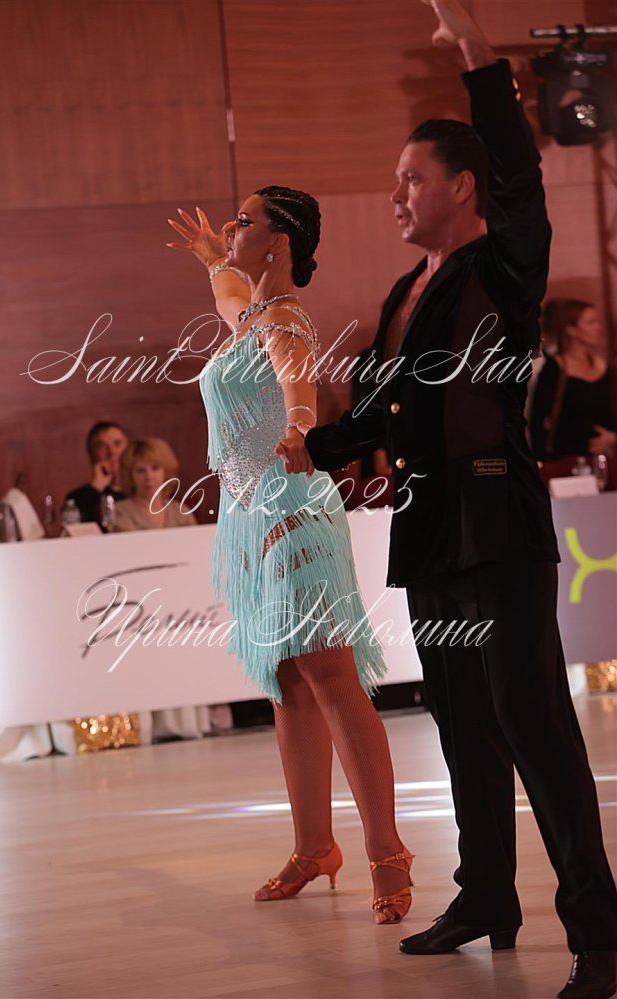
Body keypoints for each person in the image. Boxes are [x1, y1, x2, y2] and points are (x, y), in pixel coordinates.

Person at [297, 1, 617, 996]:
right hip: (431, 528)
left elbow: (521, 175)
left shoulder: (503, 266)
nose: (396, 194)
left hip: (498, 524)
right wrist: (312, 448)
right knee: (460, 719)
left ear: (462, 186)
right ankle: (486, 897)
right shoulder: (407, 290)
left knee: (534, 724)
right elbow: (387, 407)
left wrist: (479, 59)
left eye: (411, 178)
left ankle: (601, 936)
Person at [167, 187, 414, 923]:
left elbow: (295, 377)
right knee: (286, 680)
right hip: (253, 518)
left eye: (245, 222)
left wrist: (300, 426)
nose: (232, 227)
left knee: (330, 675)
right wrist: (213, 258)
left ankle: (388, 851)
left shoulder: (283, 321)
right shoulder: (250, 314)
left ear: (279, 242)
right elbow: (229, 298)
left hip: (291, 509)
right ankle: (314, 846)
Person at [114, 437, 216, 741]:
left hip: (180, 606)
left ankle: (187, 722)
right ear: (129, 474)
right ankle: (150, 725)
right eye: (140, 470)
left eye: (154, 468)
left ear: (166, 471)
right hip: (138, 608)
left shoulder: (181, 512)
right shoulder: (119, 513)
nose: (148, 477)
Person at [530, 299, 617, 468]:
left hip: (604, 462)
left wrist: (613, 438)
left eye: (598, 322)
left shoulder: (606, 368)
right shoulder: (554, 369)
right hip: (565, 463)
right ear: (571, 329)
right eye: (591, 323)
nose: (599, 328)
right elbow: (538, 423)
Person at [65, 421, 129, 524]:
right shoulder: (78, 498)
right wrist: (96, 487)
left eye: (117, 444)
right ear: (92, 455)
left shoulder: (144, 490)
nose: (112, 452)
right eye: (102, 447)